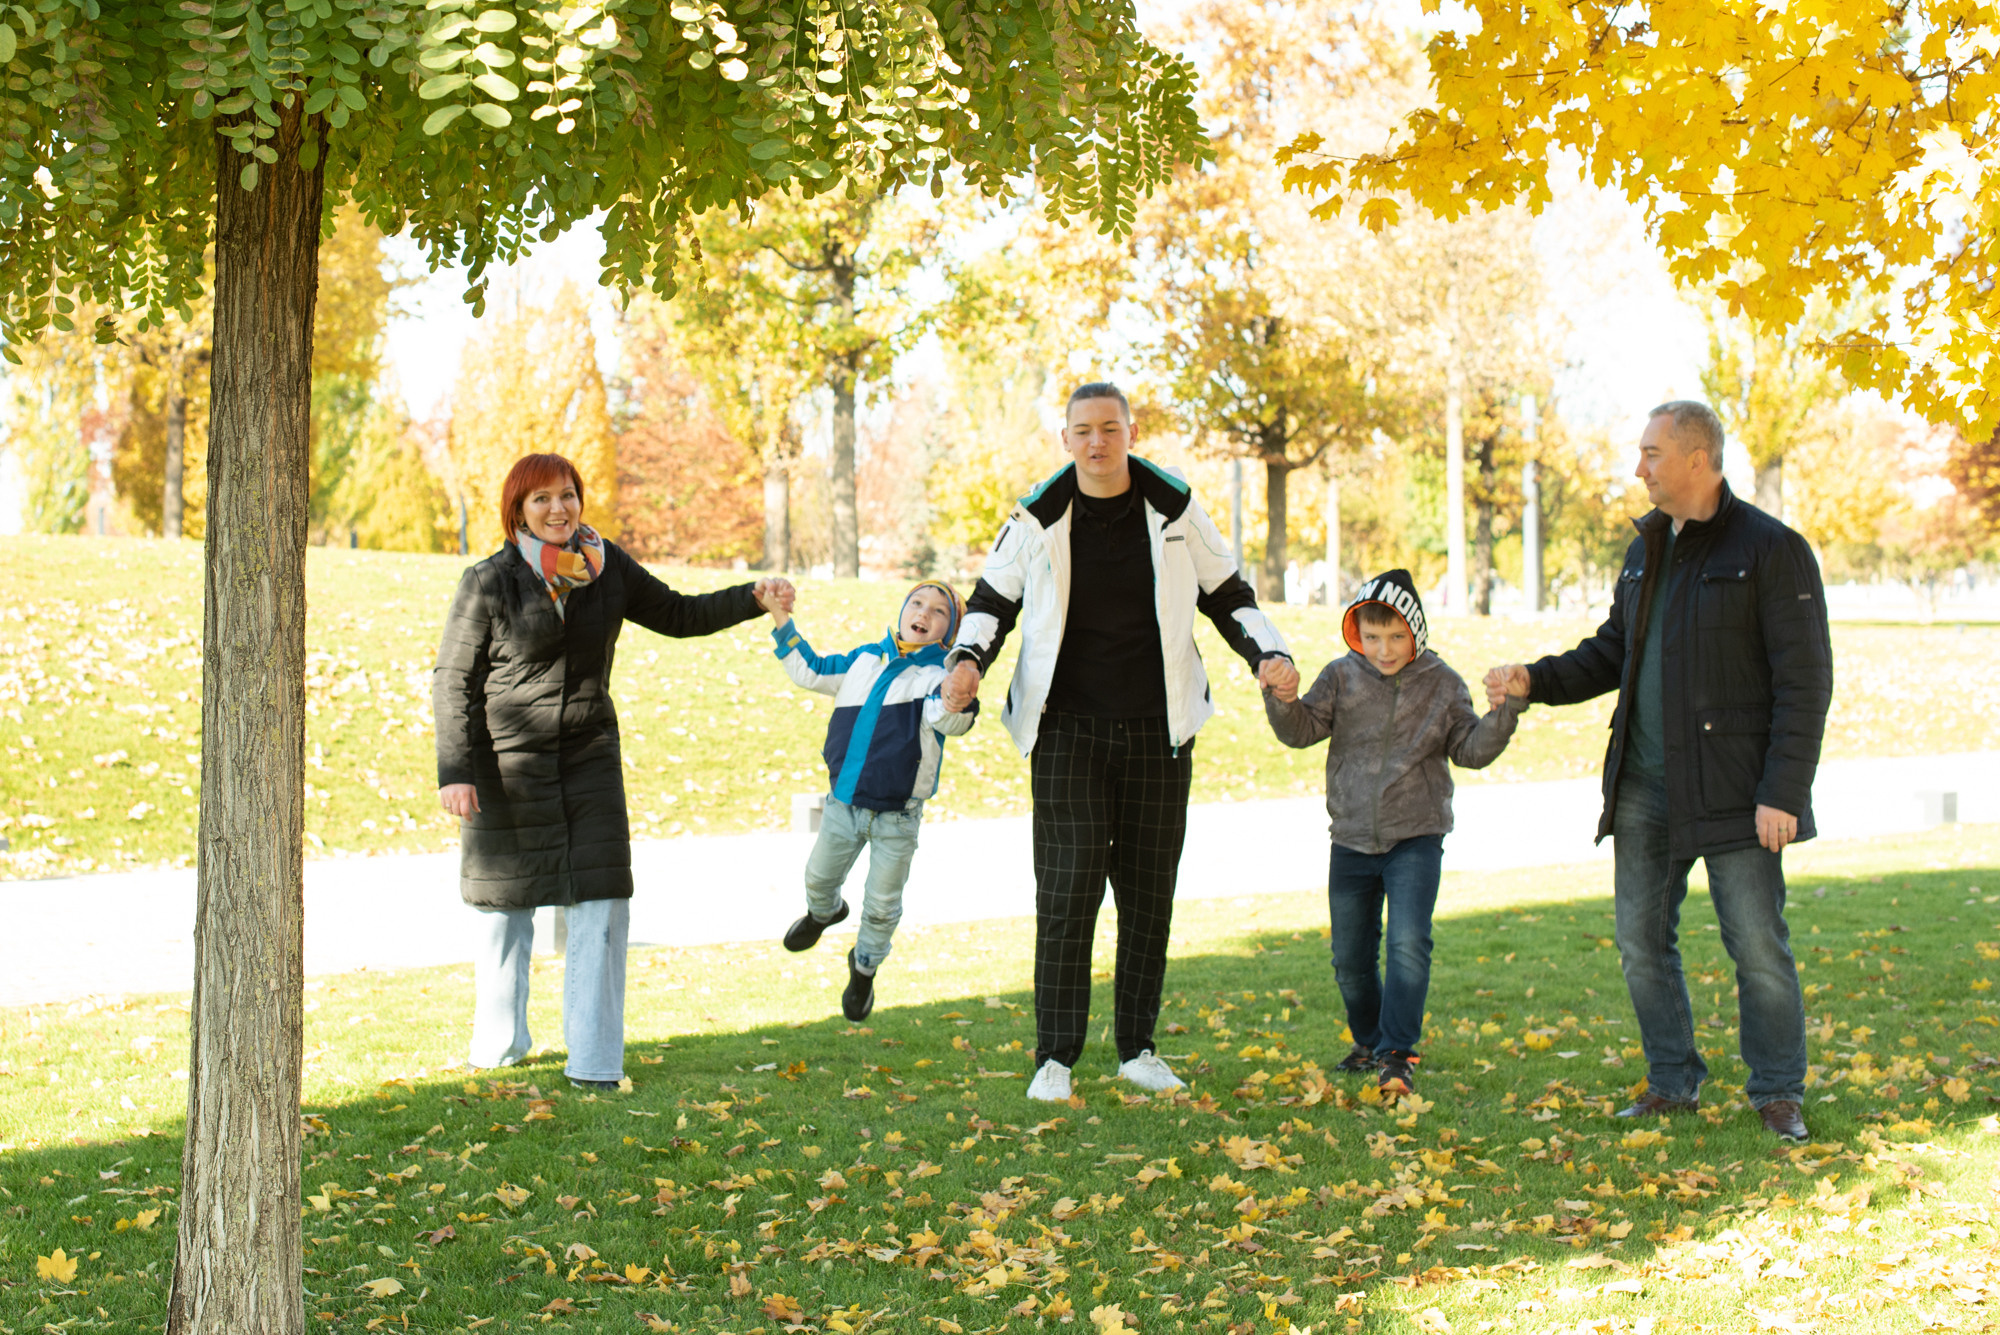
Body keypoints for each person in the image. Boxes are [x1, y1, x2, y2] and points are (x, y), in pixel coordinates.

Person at [938, 382, 1297, 1103]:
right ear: (1065, 440)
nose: (1096, 442)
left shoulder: (1173, 504)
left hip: (1158, 730)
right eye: (1082, 431)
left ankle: (1138, 1048)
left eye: (1109, 428)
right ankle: (1055, 1058)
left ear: (1130, 431)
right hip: (1065, 726)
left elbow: (1228, 594)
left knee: (1147, 894)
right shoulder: (1039, 513)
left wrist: (1269, 655)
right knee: (1067, 890)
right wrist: (966, 661)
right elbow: (988, 602)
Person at [1485, 401, 1831, 1142]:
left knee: (1757, 947)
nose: (1638, 466)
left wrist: (1783, 791)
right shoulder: (1645, 548)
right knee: (1641, 940)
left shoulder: (1773, 550)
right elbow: (1615, 650)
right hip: (1643, 784)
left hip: (1740, 791)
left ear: (1697, 459)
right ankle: (1673, 1082)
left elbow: (1805, 680)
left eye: (1651, 453)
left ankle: (1777, 1089)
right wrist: (1534, 680)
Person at [433, 452, 792, 1090]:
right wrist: (455, 771)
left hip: (588, 760)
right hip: (505, 765)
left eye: (567, 495)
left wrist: (751, 598)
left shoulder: (607, 566)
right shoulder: (489, 579)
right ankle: (499, 1045)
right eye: (540, 498)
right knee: (504, 906)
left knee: (602, 901)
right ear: (518, 509)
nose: (557, 509)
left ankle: (595, 1062)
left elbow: (679, 615)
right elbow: (454, 680)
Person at [1264, 569, 1523, 1097]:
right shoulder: (1342, 676)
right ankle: (1369, 1043)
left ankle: (1397, 1054)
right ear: (1357, 632)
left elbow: (1471, 750)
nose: (1384, 649)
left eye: (1397, 637)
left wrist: (1504, 713)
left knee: (1408, 943)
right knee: (1350, 959)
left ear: (1417, 631)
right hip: (1351, 838)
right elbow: (1302, 730)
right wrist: (1282, 700)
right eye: (1373, 636)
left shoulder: (1444, 684)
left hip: (1416, 837)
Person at [769, 580, 979, 1021]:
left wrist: (960, 699)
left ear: (949, 631)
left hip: (897, 819)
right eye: (917, 603)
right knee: (816, 879)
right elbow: (811, 668)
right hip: (842, 806)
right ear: (903, 610)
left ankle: (863, 967)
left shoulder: (938, 678)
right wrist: (780, 618)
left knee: (883, 905)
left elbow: (950, 718)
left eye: (939, 611)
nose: (924, 612)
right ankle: (825, 913)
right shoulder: (865, 659)